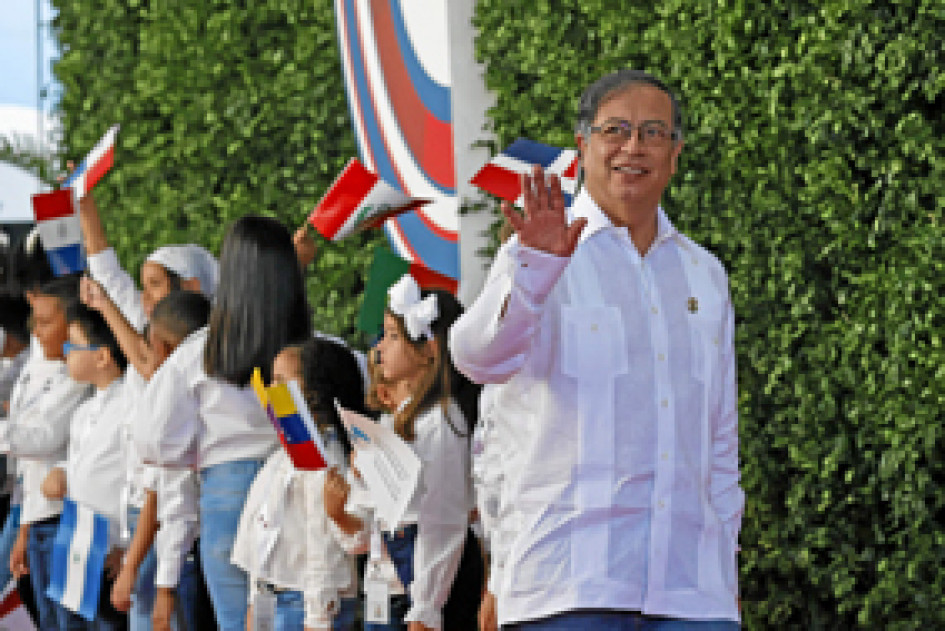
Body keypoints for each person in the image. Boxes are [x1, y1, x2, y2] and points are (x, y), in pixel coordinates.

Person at [449, 69, 743, 630]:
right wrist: (535, 271)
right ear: (583, 147)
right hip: (567, 581)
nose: (634, 146)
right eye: (616, 130)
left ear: (675, 154)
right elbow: (478, 359)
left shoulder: (705, 275)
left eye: (653, 132)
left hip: (692, 589)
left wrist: (723, 569)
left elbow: (720, 436)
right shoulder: (539, 249)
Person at [133, 215, 312, 631]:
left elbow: (153, 440)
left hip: (225, 495)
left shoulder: (196, 352)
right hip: (298, 490)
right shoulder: (314, 349)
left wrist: (201, 453)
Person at [324, 275, 483, 631]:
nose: (380, 346)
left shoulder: (441, 421)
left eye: (393, 336)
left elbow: (443, 520)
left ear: (429, 350)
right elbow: (368, 526)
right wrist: (344, 509)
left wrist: (426, 609)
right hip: (386, 586)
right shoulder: (391, 422)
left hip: (422, 589)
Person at [232, 338, 365, 630]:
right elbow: (264, 533)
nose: (270, 390)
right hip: (276, 597)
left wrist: (318, 618)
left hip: (303, 605)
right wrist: (256, 598)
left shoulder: (323, 460)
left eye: (281, 381)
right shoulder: (283, 456)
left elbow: (322, 546)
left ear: (314, 392)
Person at [1, 275, 92, 630]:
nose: (36, 333)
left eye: (44, 323)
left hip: (63, 519)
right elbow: (29, 466)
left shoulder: (76, 378)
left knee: (66, 621)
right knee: (48, 618)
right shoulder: (40, 368)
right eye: (33, 323)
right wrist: (23, 527)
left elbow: (42, 438)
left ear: (72, 327)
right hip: (35, 514)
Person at [42, 302, 130, 630]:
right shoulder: (84, 412)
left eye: (72, 345)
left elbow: (132, 478)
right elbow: (83, 463)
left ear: (103, 356)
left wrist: (126, 545)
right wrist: (61, 470)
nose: (66, 352)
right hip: (77, 543)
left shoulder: (128, 407)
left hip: (110, 552)